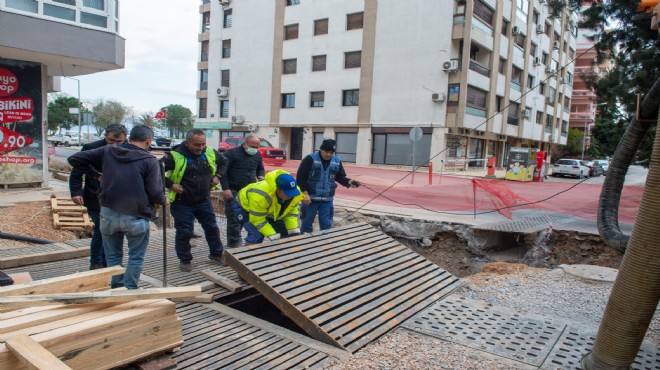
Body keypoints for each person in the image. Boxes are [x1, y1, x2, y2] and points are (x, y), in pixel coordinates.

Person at [67, 125, 167, 289]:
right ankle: (130, 289)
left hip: (108, 213)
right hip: (135, 215)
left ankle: (117, 287)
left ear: (129, 138)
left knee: (113, 256)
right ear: (148, 141)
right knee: (136, 256)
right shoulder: (149, 160)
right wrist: (164, 200)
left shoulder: (108, 151)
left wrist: (96, 175)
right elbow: (155, 191)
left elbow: (74, 159)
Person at [162, 129, 228, 272]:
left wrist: (218, 176)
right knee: (184, 231)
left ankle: (216, 254)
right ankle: (185, 259)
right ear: (187, 143)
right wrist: (170, 185)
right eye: (196, 145)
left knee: (212, 227)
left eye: (203, 144)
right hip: (182, 202)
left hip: (203, 200)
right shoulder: (174, 156)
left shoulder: (209, 152)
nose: (200, 148)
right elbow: (155, 171)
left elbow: (224, 162)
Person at [69, 124, 128, 270]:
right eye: (110, 141)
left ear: (125, 138)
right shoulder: (91, 148)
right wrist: (76, 192)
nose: (114, 145)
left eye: (118, 142)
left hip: (118, 199)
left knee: (115, 231)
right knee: (101, 231)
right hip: (95, 196)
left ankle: (110, 262)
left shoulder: (129, 149)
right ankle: (96, 262)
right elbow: (77, 172)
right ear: (105, 137)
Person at [296, 139, 360, 234]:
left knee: (327, 227)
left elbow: (340, 177)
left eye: (331, 152)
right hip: (310, 199)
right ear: (321, 150)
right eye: (326, 151)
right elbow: (300, 178)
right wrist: (305, 194)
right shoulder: (310, 159)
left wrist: (349, 182)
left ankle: (325, 246)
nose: (328, 154)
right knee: (306, 225)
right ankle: (305, 246)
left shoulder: (336, 161)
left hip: (327, 201)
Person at [233, 169, 304, 244]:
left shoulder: (295, 192)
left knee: (286, 232)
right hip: (245, 208)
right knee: (256, 236)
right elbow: (258, 220)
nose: (291, 196)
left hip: (267, 209)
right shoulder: (260, 196)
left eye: (292, 192)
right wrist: (273, 236)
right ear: (278, 190)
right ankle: (248, 254)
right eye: (287, 193)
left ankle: (283, 254)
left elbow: (291, 214)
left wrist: (293, 232)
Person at [220, 134, 265, 248]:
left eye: (257, 147)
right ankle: (233, 243)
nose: (254, 149)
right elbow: (223, 172)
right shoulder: (232, 154)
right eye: (252, 146)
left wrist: (260, 176)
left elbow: (260, 167)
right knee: (234, 218)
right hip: (233, 190)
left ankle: (248, 241)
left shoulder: (257, 155)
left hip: (249, 192)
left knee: (246, 217)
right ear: (245, 144)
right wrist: (226, 188)